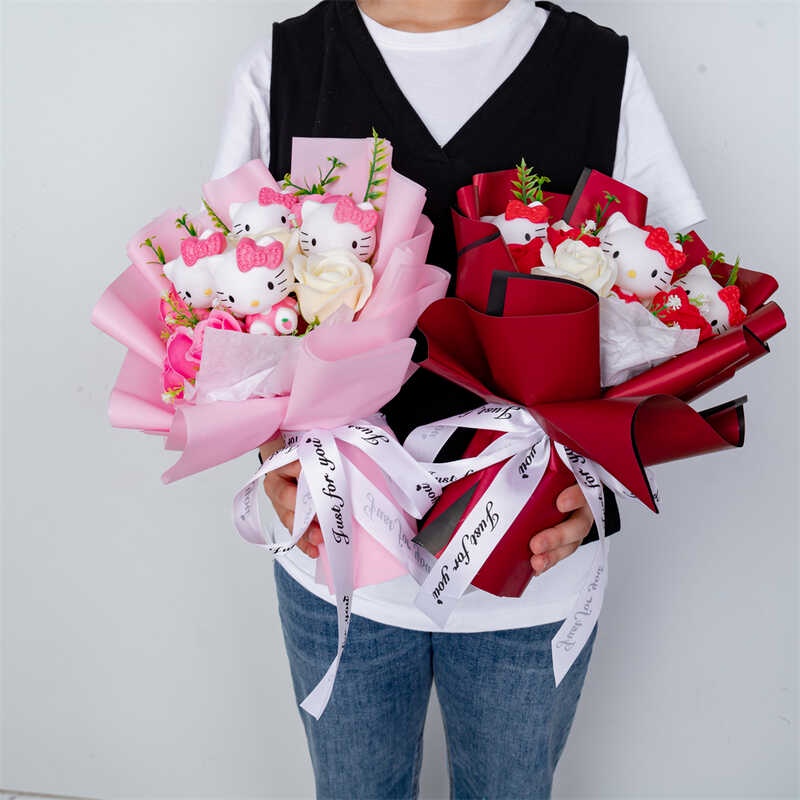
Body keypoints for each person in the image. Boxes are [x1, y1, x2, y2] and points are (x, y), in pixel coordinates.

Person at [211, 1, 704, 797]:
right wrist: (271, 445)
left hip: (532, 568)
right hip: (339, 562)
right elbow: (222, 303)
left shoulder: (597, 70)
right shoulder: (288, 66)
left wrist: (596, 484)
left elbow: (672, 308)